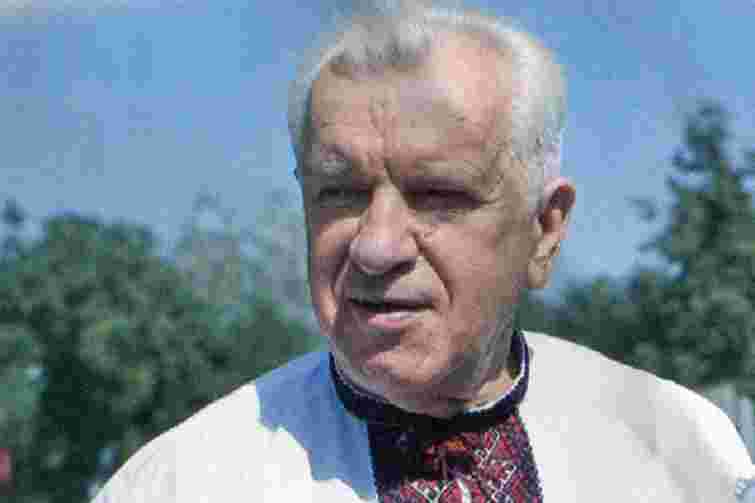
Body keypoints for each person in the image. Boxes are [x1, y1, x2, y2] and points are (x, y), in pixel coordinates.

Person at [92, 1, 755, 501]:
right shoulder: (182, 484)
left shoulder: (682, 455)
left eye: (438, 194)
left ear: (544, 230)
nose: (376, 246)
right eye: (340, 192)